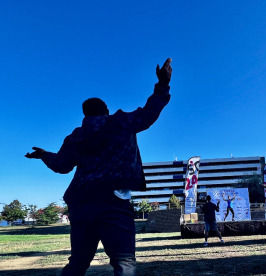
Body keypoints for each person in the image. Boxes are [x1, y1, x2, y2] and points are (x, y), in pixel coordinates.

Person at [25, 58, 173, 276]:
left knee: (78, 262)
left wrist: (44, 155)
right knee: (124, 262)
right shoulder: (120, 122)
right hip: (112, 201)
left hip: (81, 203)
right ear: (106, 110)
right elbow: (149, 113)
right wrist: (162, 84)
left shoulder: (75, 136)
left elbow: (62, 166)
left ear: (85, 114)